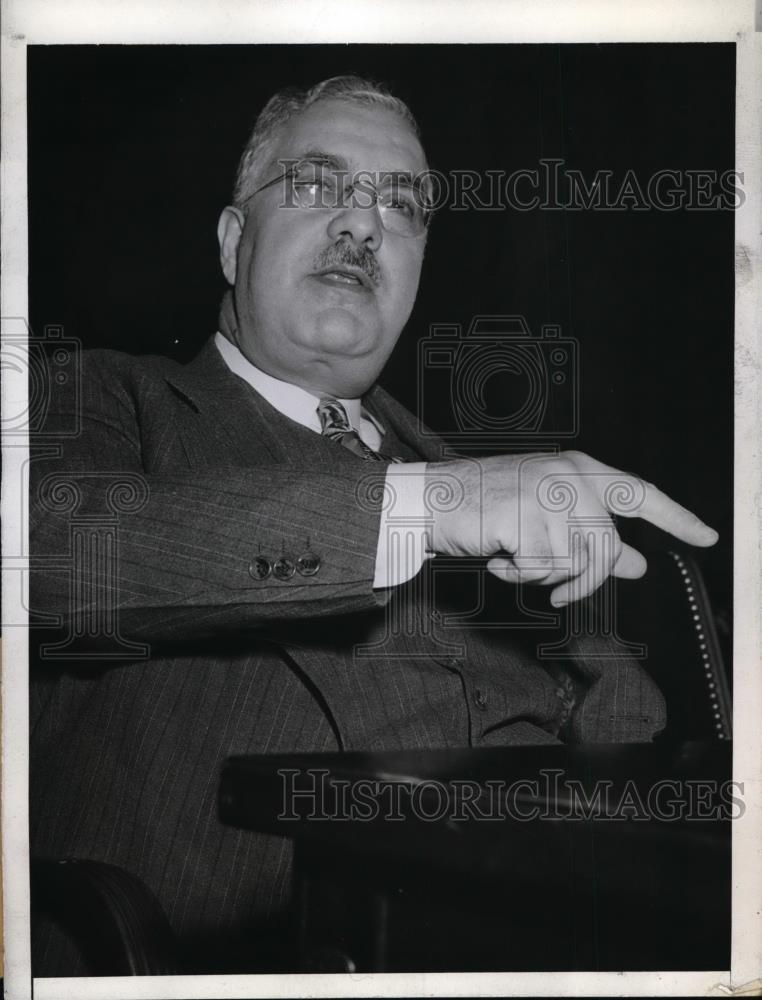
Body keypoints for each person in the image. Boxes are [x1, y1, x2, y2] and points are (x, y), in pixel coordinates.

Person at [29, 75, 718, 973]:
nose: (362, 225)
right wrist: (428, 506)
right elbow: (51, 546)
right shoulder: (99, 396)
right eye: (317, 185)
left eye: (401, 206)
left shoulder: (488, 479)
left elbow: (619, 720)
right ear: (236, 242)